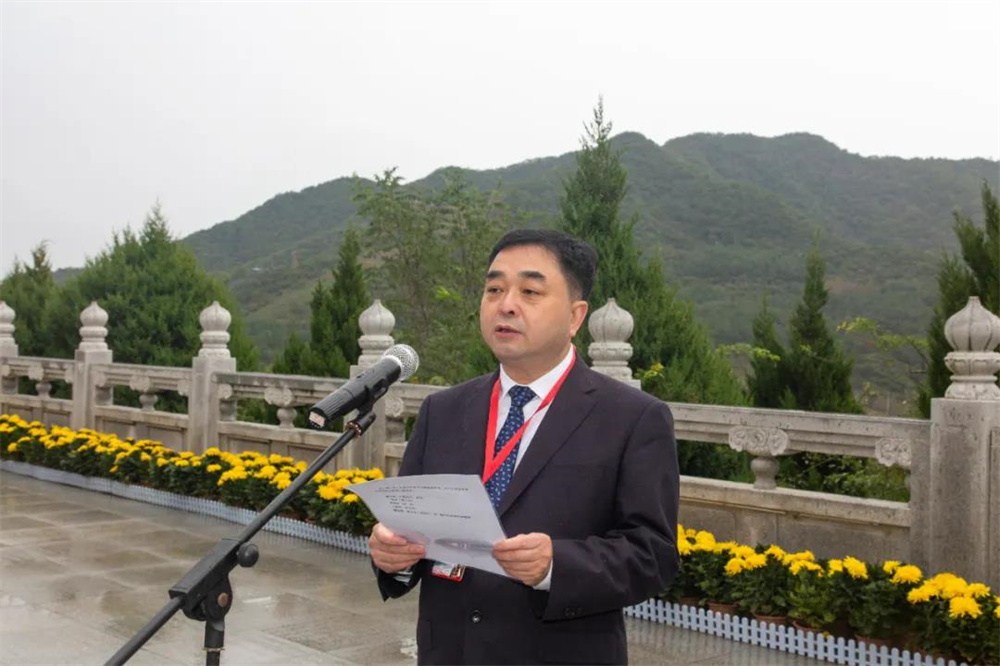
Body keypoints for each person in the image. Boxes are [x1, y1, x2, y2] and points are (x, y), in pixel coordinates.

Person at [369, 229, 679, 665]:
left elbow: (653, 554)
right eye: (494, 289)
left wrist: (556, 565)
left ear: (575, 316)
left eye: (530, 291)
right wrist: (394, 556)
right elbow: (412, 530)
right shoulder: (443, 410)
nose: (506, 304)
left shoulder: (632, 417)